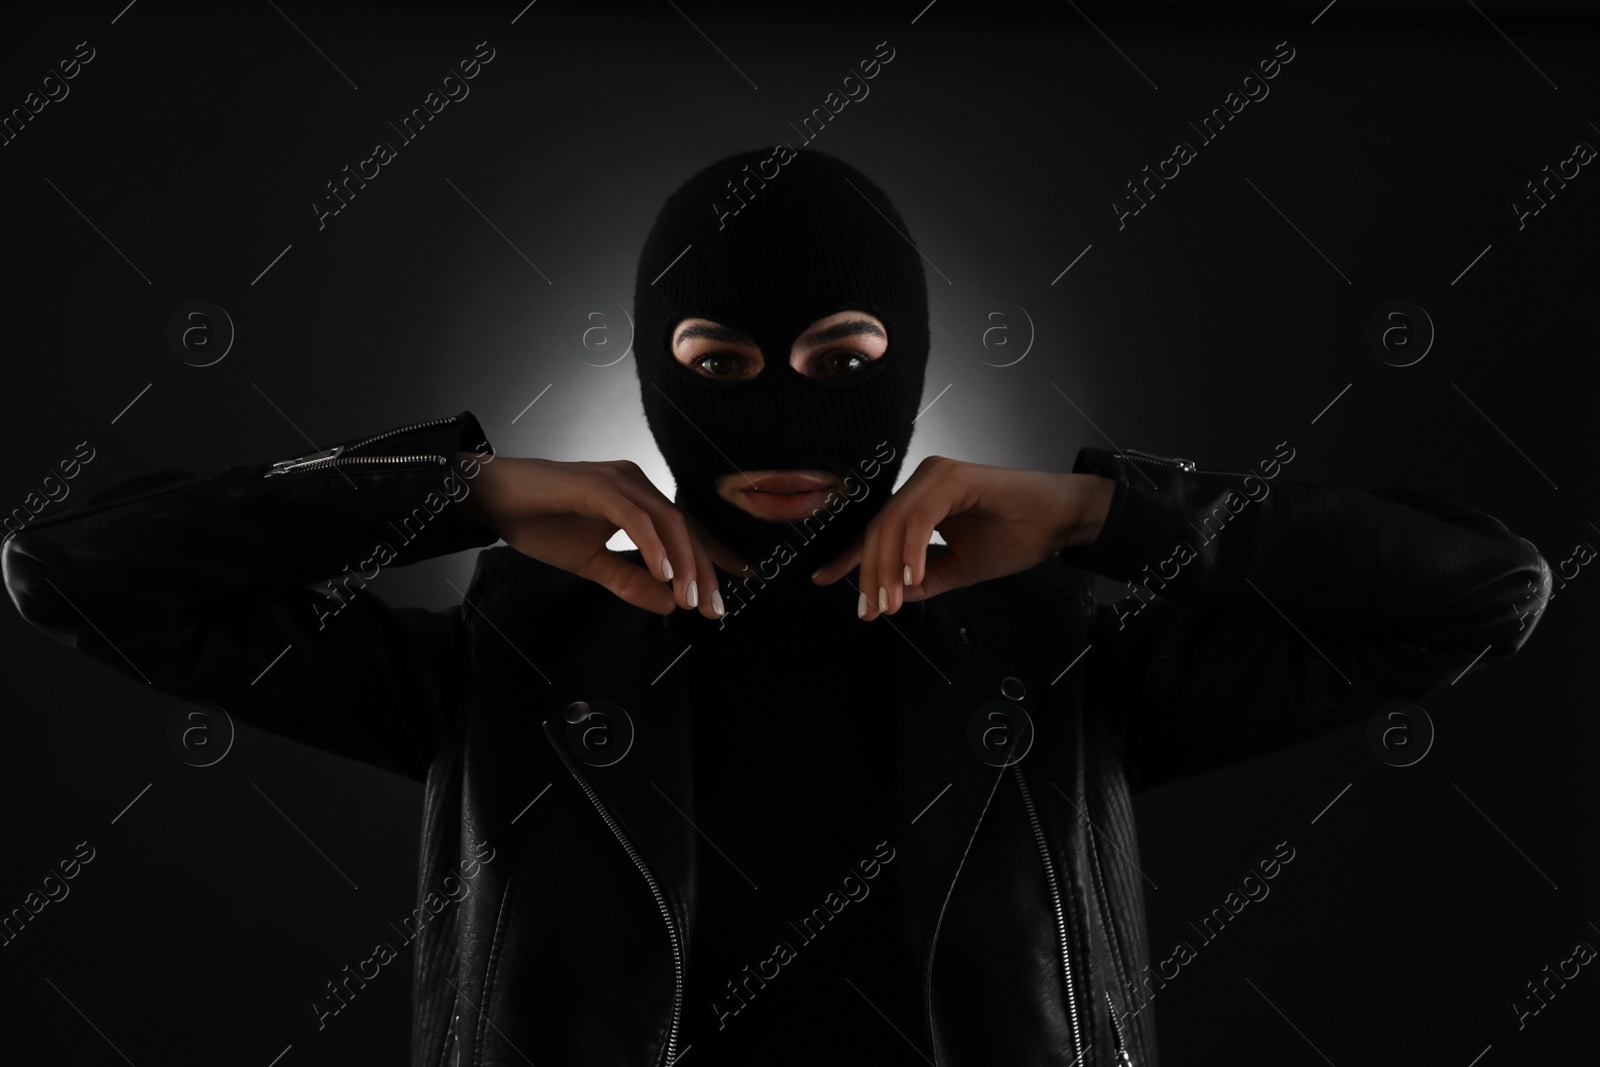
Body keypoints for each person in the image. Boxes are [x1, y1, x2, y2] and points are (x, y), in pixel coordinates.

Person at [2, 148, 1551, 1066]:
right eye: (721, 371)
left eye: (844, 363)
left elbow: (1482, 589)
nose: (786, 425)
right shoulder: (519, 654)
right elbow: (73, 568)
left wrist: (1106, 512)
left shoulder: (1056, 649)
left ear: (917, 358)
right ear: (655, 368)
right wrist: (458, 496)